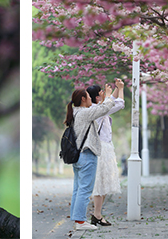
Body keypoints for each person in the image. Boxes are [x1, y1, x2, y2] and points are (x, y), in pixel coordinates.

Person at [65, 85, 114, 231]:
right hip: (87, 156)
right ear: (83, 99)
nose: (90, 99)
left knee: (78, 189)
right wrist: (109, 96)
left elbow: (99, 109)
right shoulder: (84, 113)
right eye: (88, 96)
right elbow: (104, 109)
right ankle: (80, 222)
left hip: (78, 157)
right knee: (85, 190)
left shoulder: (75, 112)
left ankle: (77, 219)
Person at [86, 78, 125, 226]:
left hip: (105, 148)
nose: (104, 93)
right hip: (101, 150)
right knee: (100, 183)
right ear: (97, 97)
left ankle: (97, 214)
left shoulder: (99, 108)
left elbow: (112, 101)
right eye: (102, 92)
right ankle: (96, 214)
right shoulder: (98, 110)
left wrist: (116, 88)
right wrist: (120, 89)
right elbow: (119, 103)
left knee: (104, 183)